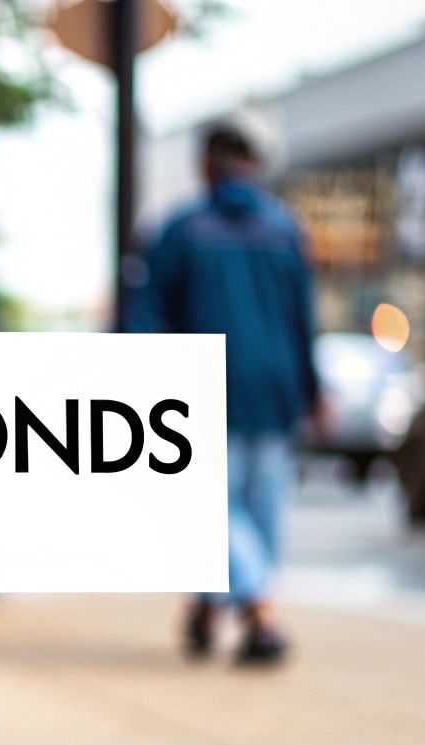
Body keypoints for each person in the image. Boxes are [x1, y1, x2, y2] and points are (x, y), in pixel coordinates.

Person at [128, 124, 324, 666]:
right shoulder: (284, 229)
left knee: (212, 509)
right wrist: (312, 389)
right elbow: (302, 317)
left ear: (207, 166)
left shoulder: (182, 229)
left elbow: (143, 315)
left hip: (205, 388)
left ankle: (257, 608)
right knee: (257, 512)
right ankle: (213, 607)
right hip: (276, 387)